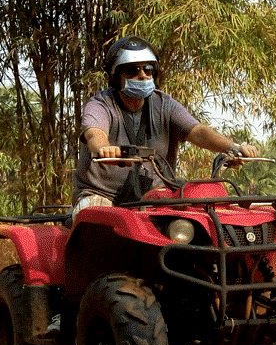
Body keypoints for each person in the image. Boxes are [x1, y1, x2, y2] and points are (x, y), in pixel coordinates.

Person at [72, 36, 258, 216]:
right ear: (115, 76)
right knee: (97, 218)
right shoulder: (101, 105)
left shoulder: (165, 105)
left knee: (200, 217)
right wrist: (104, 149)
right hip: (103, 196)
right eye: (132, 70)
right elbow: (94, 134)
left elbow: (198, 131)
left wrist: (233, 147)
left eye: (148, 69)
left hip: (154, 198)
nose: (142, 75)